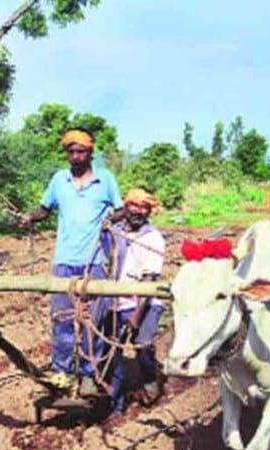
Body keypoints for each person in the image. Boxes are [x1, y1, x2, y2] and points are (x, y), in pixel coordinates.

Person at [19, 129, 126, 393]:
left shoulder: (106, 179)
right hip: (64, 261)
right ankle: (62, 371)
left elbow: (121, 208)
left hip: (95, 261)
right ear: (67, 154)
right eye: (71, 152)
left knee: (93, 320)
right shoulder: (59, 179)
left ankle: (90, 374)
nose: (76, 157)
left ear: (90, 153)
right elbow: (45, 208)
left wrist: (109, 220)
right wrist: (30, 217)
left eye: (81, 152)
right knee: (63, 319)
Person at [103, 187, 166, 412]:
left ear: (149, 212)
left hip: (143, 302)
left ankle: (149, 380)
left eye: (144, 208)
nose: (138, 211)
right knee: (112, 351)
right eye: (134, 206)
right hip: (114, 299)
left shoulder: (153, 238)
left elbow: (149, 280)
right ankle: (116, 401)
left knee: (142, 345)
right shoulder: (114, 231)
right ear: (126, 207)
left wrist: (136, 318)